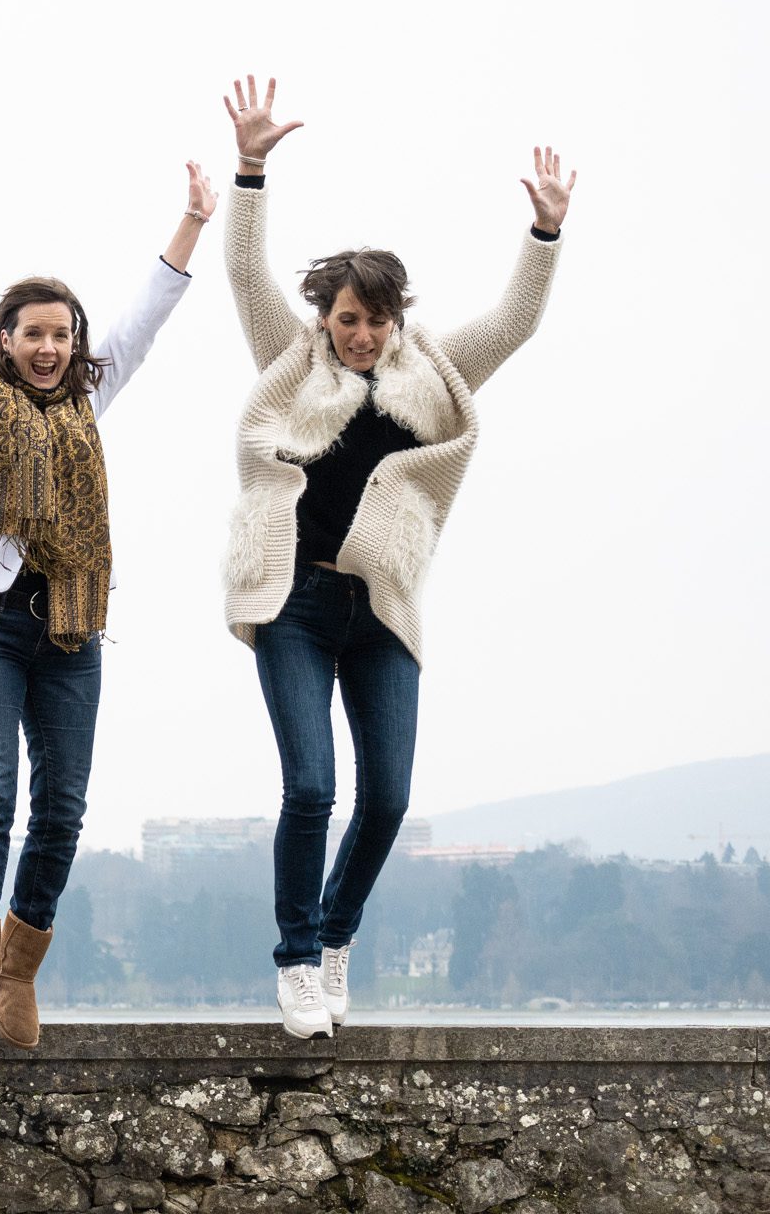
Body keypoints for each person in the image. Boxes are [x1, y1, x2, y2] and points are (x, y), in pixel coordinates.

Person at [217, 76, 574, 1038]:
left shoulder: (434, 370)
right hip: (294, 600)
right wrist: (250, 171)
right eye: (346, 318)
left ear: (397, 319)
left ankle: (336, 939)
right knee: (310, 787)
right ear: (325, 318)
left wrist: (543, 236)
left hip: (382, 610)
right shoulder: (290, 365)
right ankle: (297, 960)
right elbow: (248, 279)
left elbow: (514, 324)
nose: (362, 334)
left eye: (376, 319)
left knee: (388, 798)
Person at [0, 162, 215, 1048]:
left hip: (71, 625)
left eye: (61, 335)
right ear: (2, 340)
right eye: (31, 333)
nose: (48, 347)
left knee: (66, 805)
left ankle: (18, 969)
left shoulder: (91, 395)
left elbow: (146, 318)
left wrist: (191, 221)